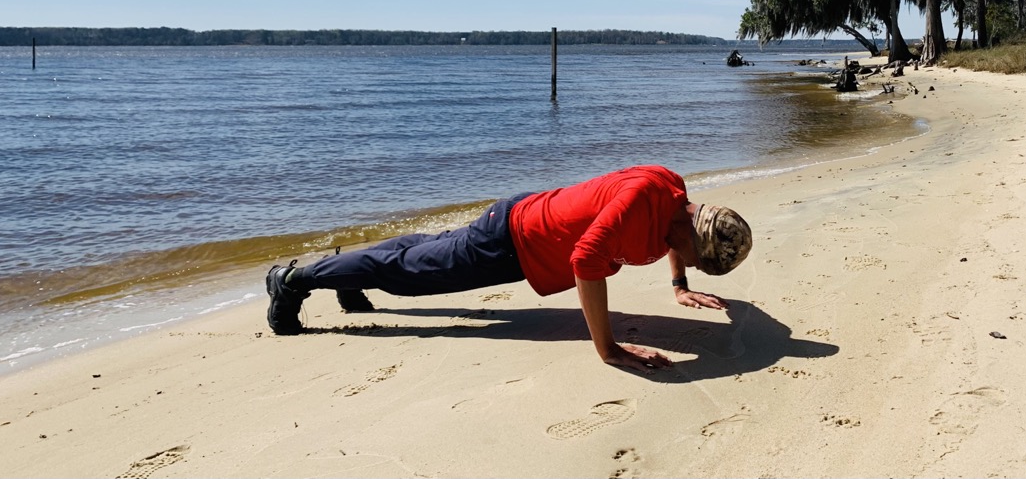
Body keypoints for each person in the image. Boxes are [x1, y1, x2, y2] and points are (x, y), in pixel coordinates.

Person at [265, 165, 752, 371]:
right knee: (410, 276)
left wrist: (680, 285)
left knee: (417, 253)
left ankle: (346, 274)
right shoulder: (644, 200)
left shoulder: (677, 202)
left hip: (520, 221)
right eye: (692, 258)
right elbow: (585, 260)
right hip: (512, 241)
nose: (686, 260)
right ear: (693, 232)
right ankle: (292, 280)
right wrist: (608, 348)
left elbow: (671, 233)